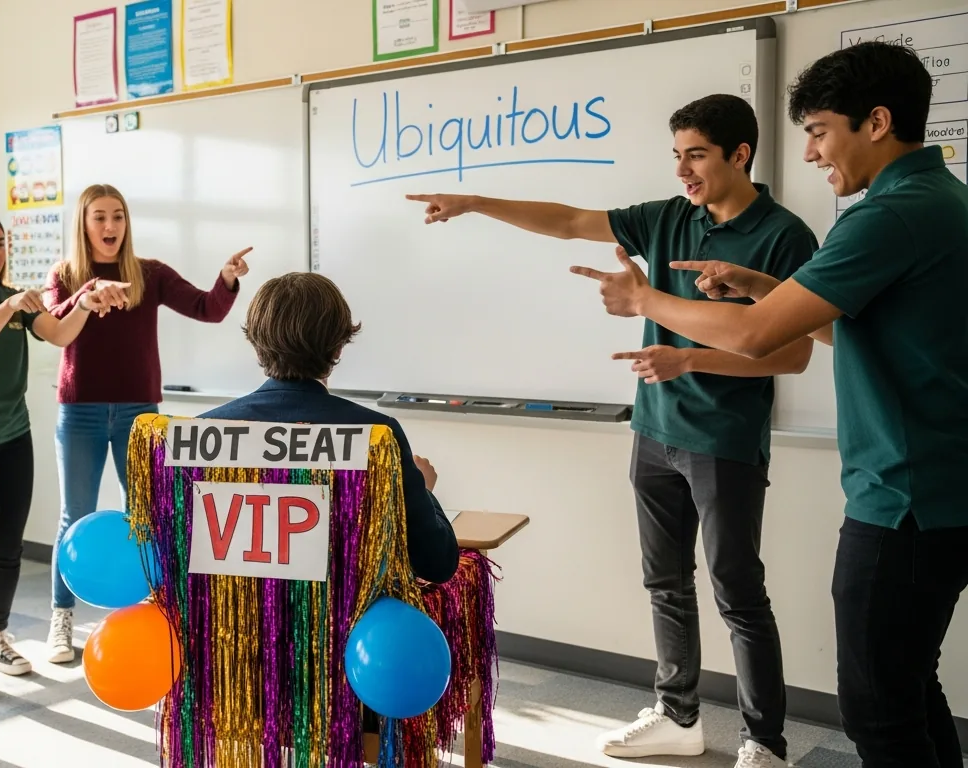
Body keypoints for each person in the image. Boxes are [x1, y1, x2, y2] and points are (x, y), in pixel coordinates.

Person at [579, 42, 968, 767]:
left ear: (877, 122)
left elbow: (761, 340)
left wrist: (644, 300)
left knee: (878, 712)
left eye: (819, 131)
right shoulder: (941, 199)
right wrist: (762, 287)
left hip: (903, 497)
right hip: (931, 488)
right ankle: (680, 712)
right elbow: (842, 327)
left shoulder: (889, 215)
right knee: (911, 689)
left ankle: (763, 738)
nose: (812, 152)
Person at [408, 94, 818, 766]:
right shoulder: (668, 218)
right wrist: (476, 202)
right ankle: (678, 716)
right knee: (665, 584)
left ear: (740, 154)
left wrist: (691, 359)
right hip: (654, 431)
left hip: (725, 441)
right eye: (677, 155)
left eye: (696, 155)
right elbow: (570, 221)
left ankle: (765, 742)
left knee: (738, 592)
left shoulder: (784, 236)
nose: (682, 170)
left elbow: (795, 353)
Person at [0, 208, 128, 696]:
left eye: (0, 244)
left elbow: (59, 333)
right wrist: (8, 308)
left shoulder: (14, 299)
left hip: (13, 436)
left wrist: (85, 304)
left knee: (8, 548)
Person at [42, 184, 251, 664]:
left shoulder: (149, 274)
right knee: (74, 515)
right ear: (84, 224)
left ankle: (149, 612)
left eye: (117, 216)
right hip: (80, 412)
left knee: (144, 516)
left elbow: (207, 308)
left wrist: (225, 278)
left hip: (140, 414)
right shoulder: (65, 275)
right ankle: (61, 617)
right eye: (100, 217)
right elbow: (52, 323)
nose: (110, 226)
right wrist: (87, 296)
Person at [200, 272, 460, 583]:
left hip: (230, 611)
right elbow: (436, 562)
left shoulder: (204, 431)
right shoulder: (377, 432)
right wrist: (424, 491)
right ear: (338, 348)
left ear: (256, 346)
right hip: (346, 614)